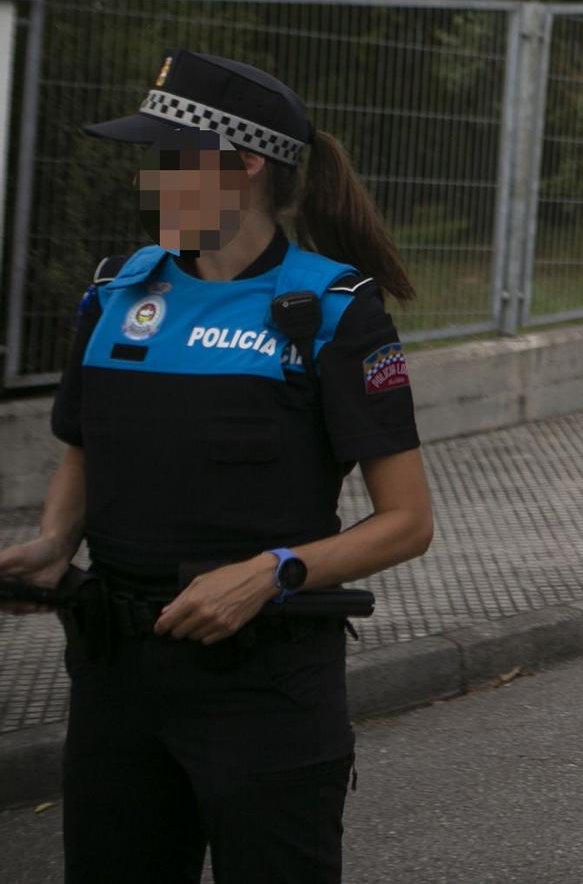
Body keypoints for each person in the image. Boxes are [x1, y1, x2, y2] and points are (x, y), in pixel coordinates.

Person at [0, 50, 434, 884]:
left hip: (265, 689)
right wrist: (56, 541)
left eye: (169, 162)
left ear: (245, 166)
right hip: (116, 684)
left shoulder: (333, 309)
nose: (150, 184)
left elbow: (408, 521)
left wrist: (273, 572)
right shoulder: (116, 293)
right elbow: (85, 447)